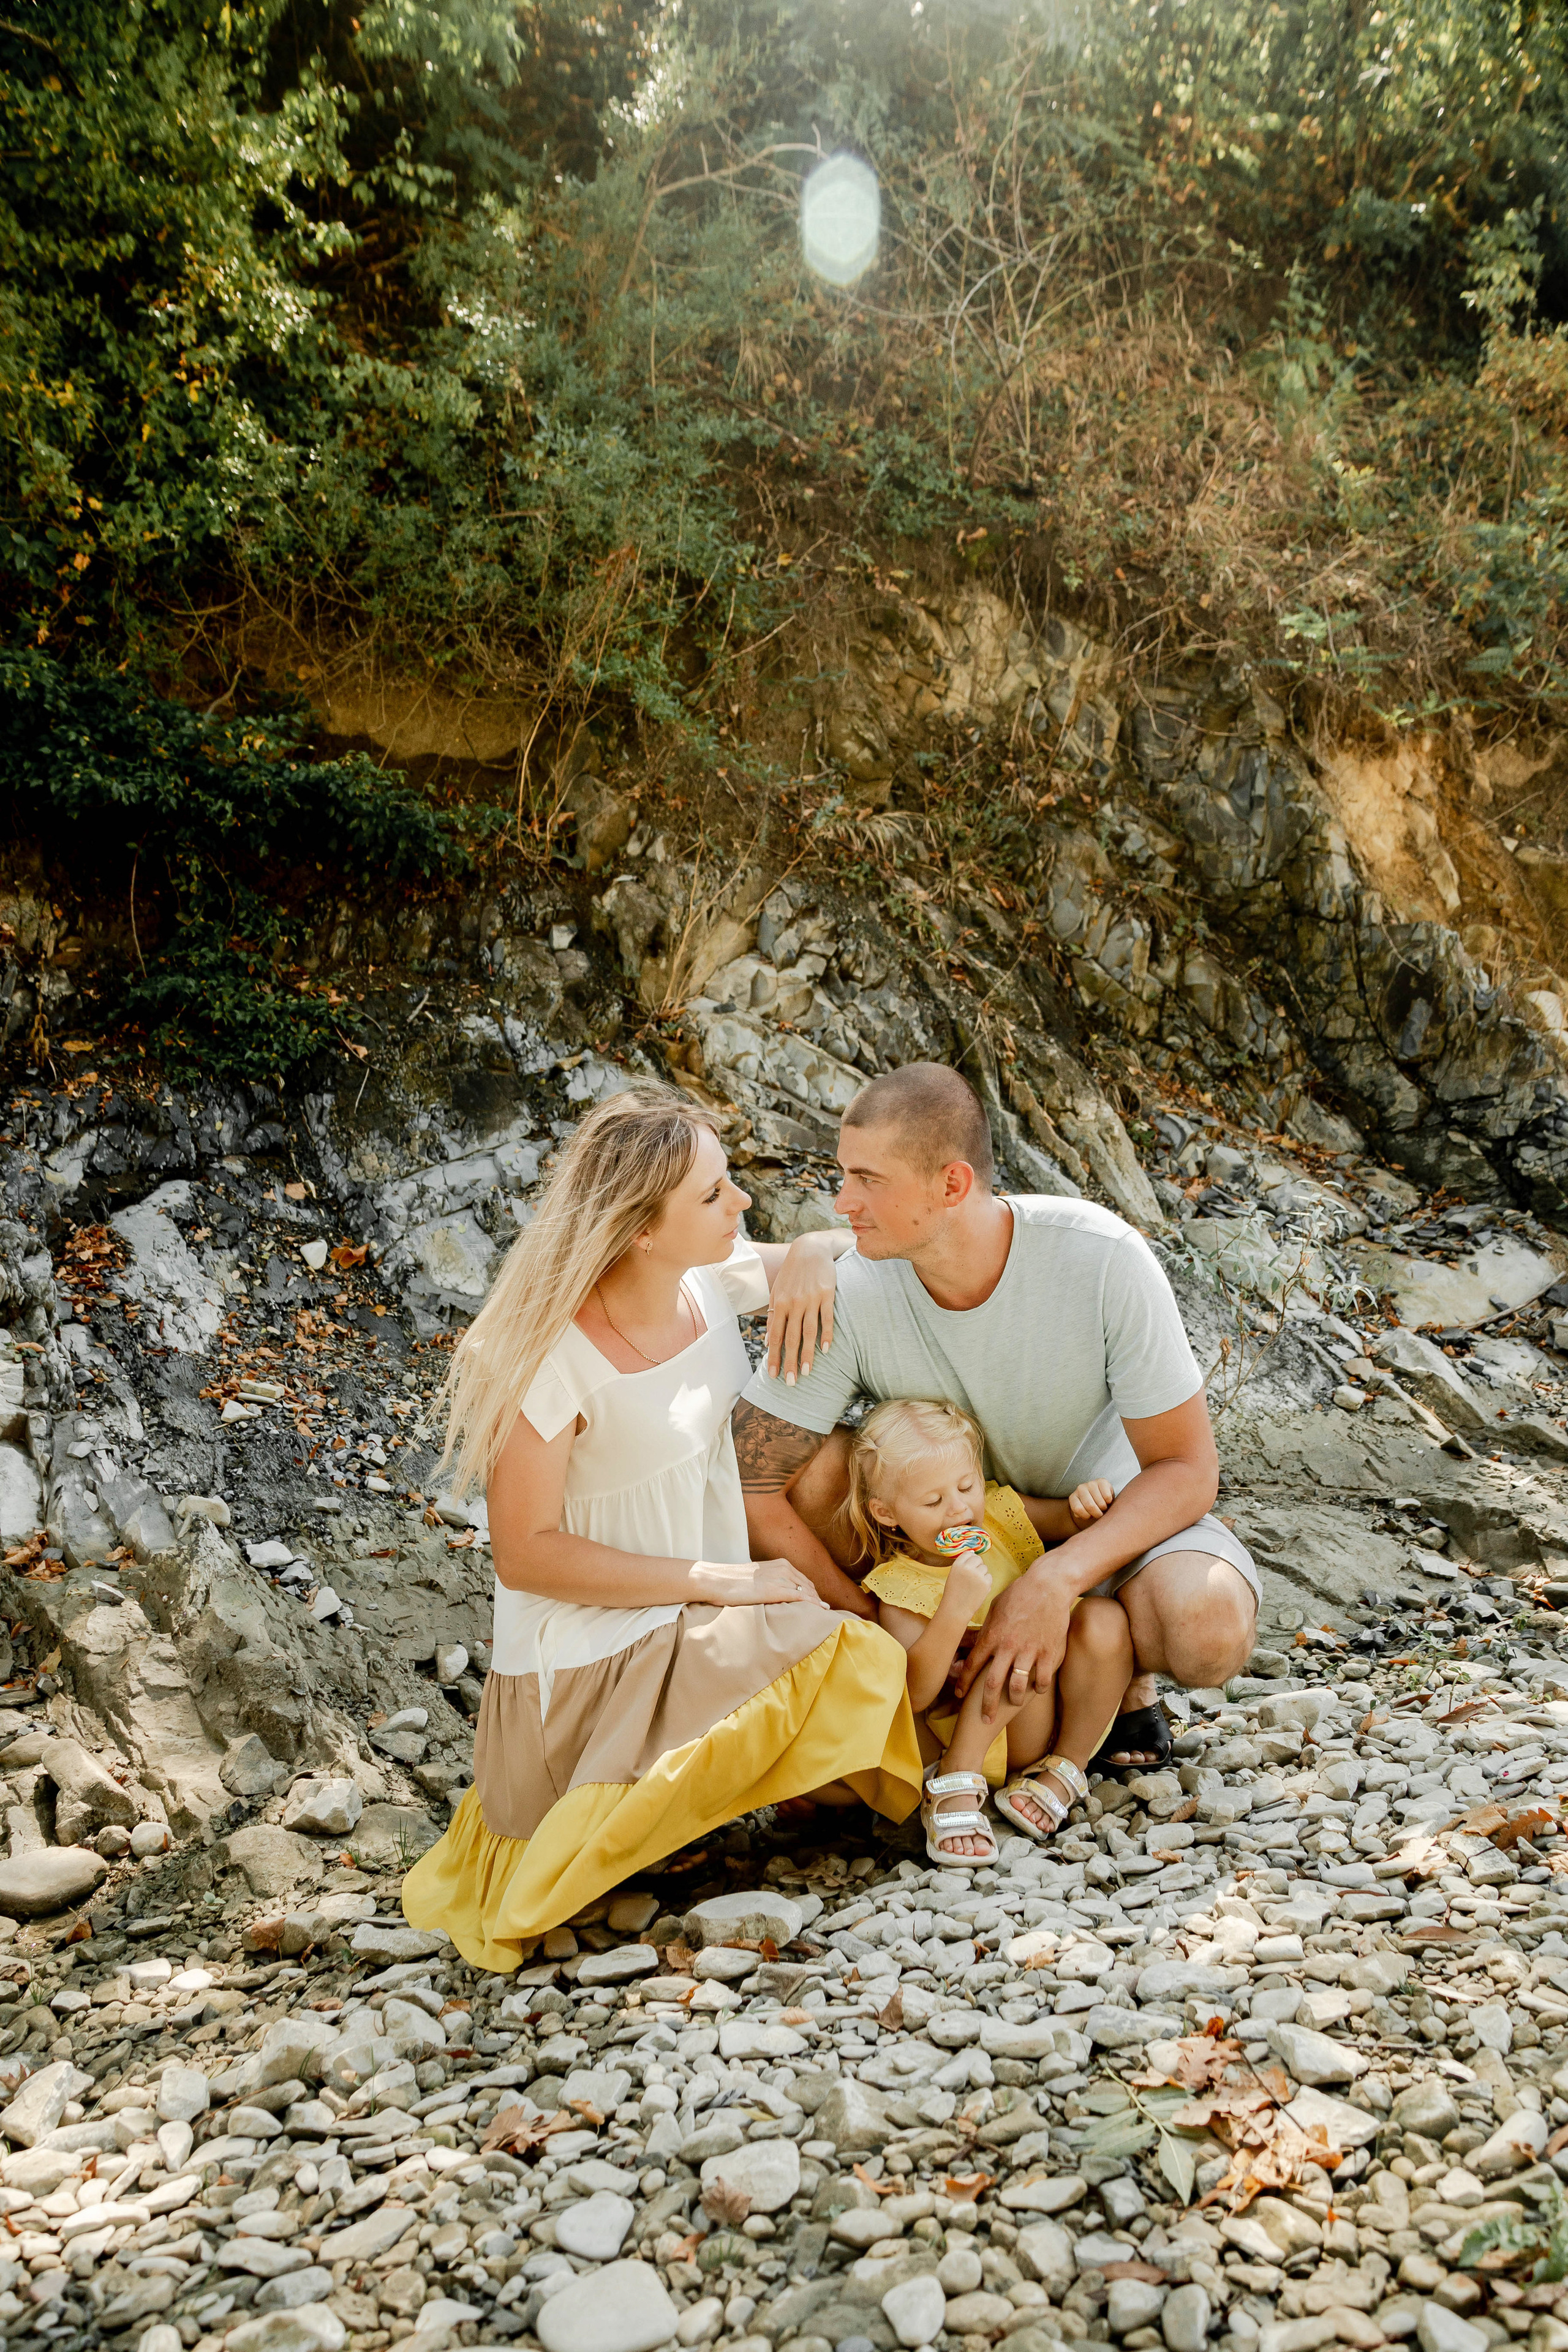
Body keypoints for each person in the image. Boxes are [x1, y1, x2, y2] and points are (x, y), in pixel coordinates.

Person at [402, 1084, 922, 1972]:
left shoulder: (704, 1281)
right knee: (849, 1655)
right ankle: (633, 1820)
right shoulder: (542, 1359)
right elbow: (528, 1556)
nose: (742, 1203)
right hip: (581, 1667)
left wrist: (808, 1249)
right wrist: (716, 1579)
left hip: (692, 1621)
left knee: (854, 1656)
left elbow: (851, 1249)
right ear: (642, 1229)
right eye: (715, 1194)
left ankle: (724, 1809)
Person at [732, 1061, 1259, 1835]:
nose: (842, 1202)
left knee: (1207, 1625)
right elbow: (752, 1480)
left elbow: (1187, 1468)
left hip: (1098, 1525)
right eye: (842, 1177)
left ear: (950, 1185)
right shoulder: (849, 1288)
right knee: (807, 1471)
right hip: (939, 1545)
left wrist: (1054, 1579)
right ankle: (923, 1705)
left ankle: (1118, 1686)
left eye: (865, 1181)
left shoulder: (1101, 1257)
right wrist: (871, 1631)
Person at [844, 1398, 1133, 1866]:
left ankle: (1066, 1768)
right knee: (1006, 1638)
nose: (959, 1509)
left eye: (967, 1485)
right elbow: (916, 1695)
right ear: (886, 1512)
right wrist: (955, 1610)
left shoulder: (999, 1514)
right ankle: (956, 1781)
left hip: (1056, 1705)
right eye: (934, 1501)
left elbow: (1075, 1521)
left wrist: (1086, 1503)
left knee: (1105, 1619)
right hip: (988, 1738)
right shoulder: (896, 1586)